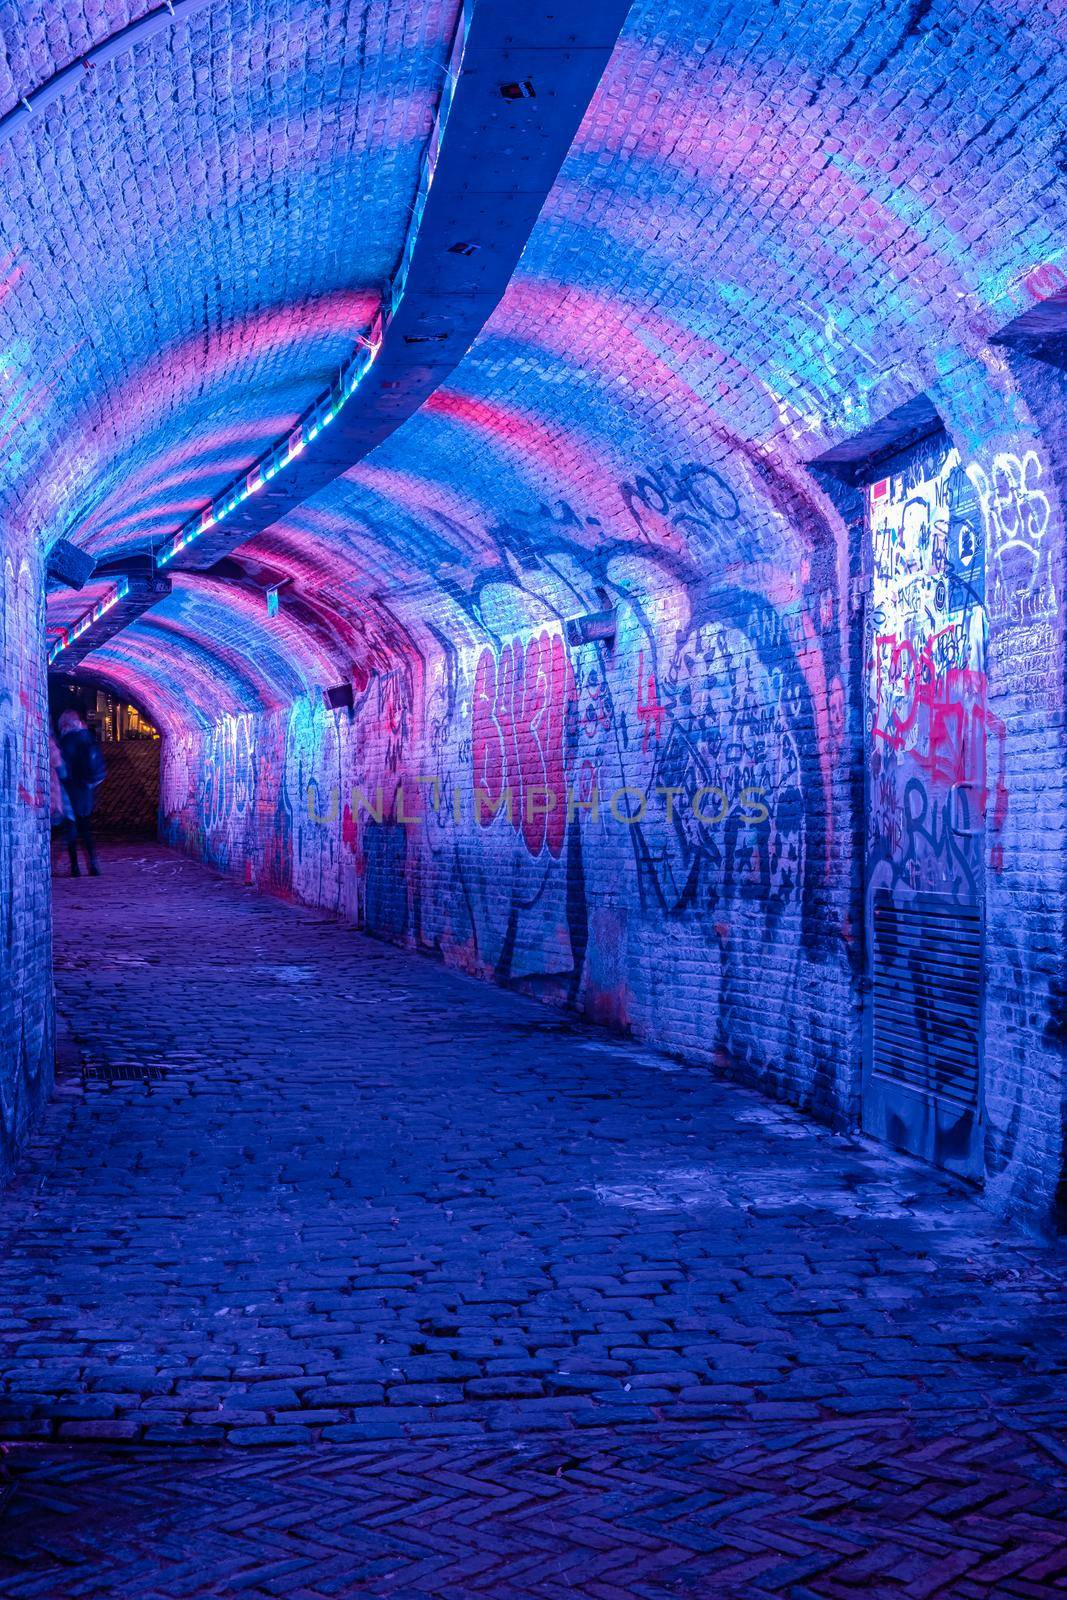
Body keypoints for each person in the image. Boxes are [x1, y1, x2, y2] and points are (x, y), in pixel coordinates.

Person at [57, 709, 105, 876]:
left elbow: (63, 768)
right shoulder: (87, 737)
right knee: (86, 829)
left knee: (71, 828)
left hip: (70, 790)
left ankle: (75, 867)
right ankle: (93, 864)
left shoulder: (66, 740)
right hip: (86, 790)